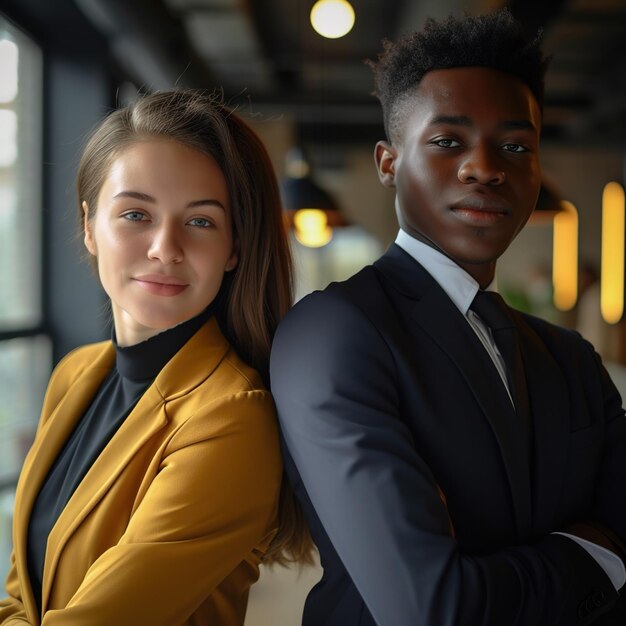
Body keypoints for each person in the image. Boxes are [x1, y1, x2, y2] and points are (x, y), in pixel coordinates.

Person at [270, 9, 626, 626]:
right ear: (388, 163)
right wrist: (599, 552)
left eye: (516, 146)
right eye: (447, 141)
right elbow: (432, 609)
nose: (485, 167)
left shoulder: (571, 358)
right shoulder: (333, 333)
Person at [0, 89, 310, 626]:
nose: (165, 248)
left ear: (234, 247)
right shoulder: (74, 373)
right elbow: (21, 588)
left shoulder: (232, 417)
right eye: (136, 213)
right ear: (88, 225)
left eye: (200, 222)